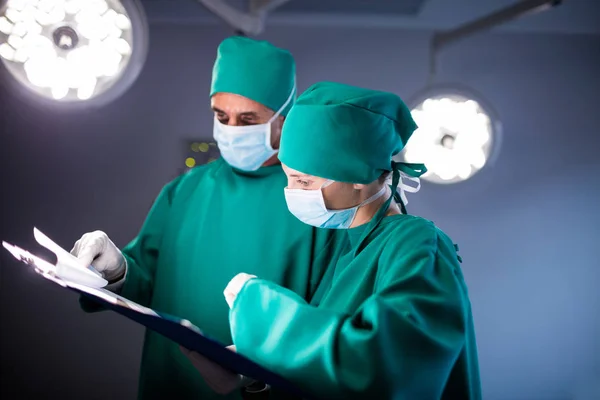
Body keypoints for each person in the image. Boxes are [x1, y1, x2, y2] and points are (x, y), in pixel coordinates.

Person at [69, 39, 348, 400]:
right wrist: (118, 269)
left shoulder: (315, 199)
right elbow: (147, 283)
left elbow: (330, 325)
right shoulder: (184, 191)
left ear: (284, 118)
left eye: (248, 120)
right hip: (168, 380)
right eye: (221, 116)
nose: (232, 129)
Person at [217, 81, 482, 399]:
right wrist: (255, 370)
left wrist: (262, 313)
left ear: (360, 175)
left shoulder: (416, 244)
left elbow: (390, 367)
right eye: (289, 177)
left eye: (303, 180)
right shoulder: (345, 248)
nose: (292, 192)